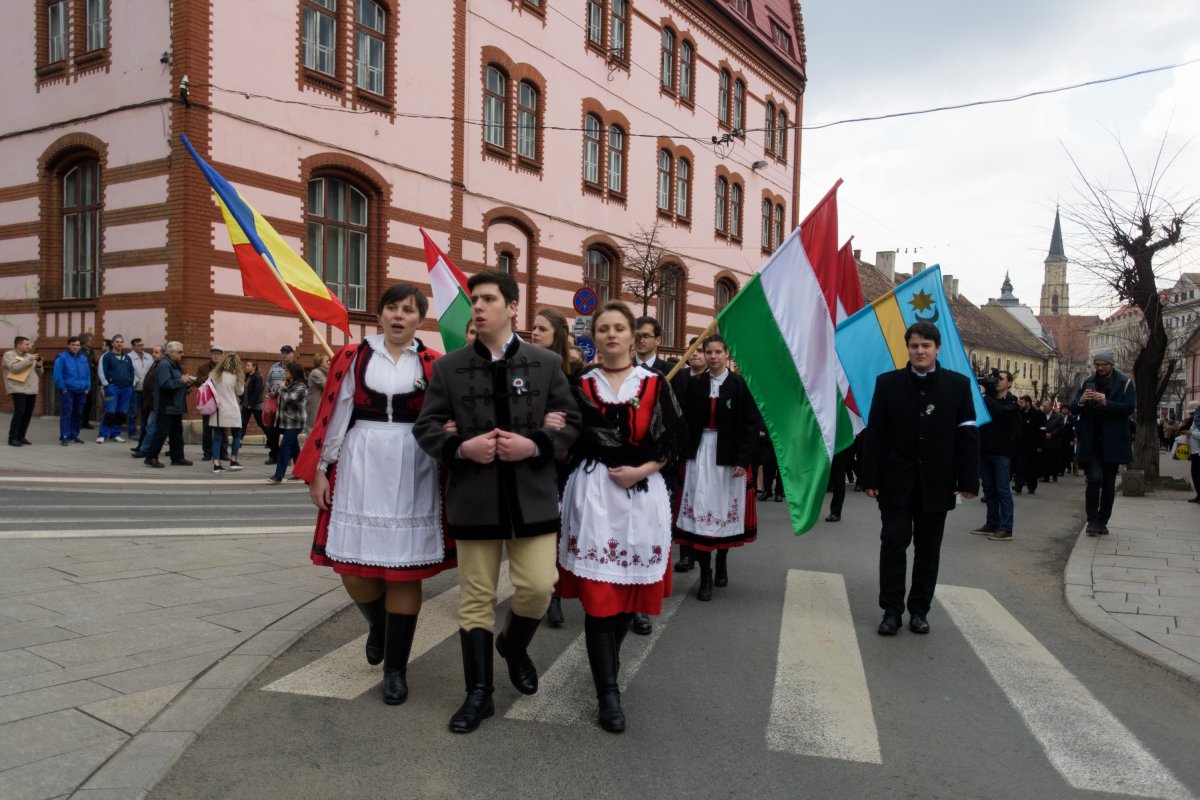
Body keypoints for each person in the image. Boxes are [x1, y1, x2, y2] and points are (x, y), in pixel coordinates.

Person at [414, 269, 580, 734]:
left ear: (512, 308)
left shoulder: (545, 363)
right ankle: (478, 695)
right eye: (474, 300)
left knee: (537, 587)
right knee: (476, 599)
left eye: (488, 299)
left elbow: (571, 423)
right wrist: (460, 448)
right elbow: (427, 426)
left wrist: (536, 444)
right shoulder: (449, 367)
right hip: (475, 498)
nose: (478, 307)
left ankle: (513, 644)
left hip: (532, 497)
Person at [295, 283, 456, 705]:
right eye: (392, 308)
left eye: (408, 310)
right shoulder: (353, 356)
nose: (399, 316)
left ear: (420, 319)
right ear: (380, 315)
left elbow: (445, 417)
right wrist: (322, 471)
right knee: (354, 571)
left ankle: (396, 670)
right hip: (361, 462)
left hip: (415, 464)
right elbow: (336, 414)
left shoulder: (434, 364)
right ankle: (379, 626)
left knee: (404, 571)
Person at [557, 301, 686, 732]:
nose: (611, 334)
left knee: (629, 598)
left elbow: (675, 444)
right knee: (598, 600)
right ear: (594, 336)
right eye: (603, 328)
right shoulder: (577, 385)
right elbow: (565, 440)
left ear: (634, 336)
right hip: (593, 495)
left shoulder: (655, 384)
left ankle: (606, 666)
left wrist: (642, 470)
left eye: (619, 328)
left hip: (642, 495)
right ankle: (608, 694)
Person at [861, 321, 979, 636]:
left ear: (937, 348)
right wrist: (870, 476)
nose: (920, 351)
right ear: (908, 349)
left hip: (937, 483)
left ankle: (919, 611)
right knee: (893, 543)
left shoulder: (957, 385)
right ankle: (891, 611)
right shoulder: (888, 384)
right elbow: (876, 434)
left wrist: (968, 481)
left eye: (926, 345)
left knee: (928, 550)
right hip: (895, 483)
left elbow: (967, 434)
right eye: (914, 345)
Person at [672, 334, 760, 601]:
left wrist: (742, 460)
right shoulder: (695, 384)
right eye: (708, 352)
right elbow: (684, 420)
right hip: (700, 455)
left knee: (722, 512)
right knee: (700, 512)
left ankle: (721, 559)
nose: (712, 356)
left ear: (726, 354)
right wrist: (683, 452)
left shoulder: (740, 385)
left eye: (717, 352)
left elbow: (750, 425)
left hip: (727, 456)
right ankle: (706, 575)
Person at [530, 306, 576, 629]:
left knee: (557, 529)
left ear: (557, 334)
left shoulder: (574, 372)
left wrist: (563, 447)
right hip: (532, 456)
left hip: (562, 463)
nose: (534, 333)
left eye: (542, 329)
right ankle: (536, 588)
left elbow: (574, 419)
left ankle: (555, 596)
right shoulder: (524, 366)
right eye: (533, 327)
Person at [1070, 350, 1136, 536]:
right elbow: (1074, 407)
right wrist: (1082, 401)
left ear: (1111, 364)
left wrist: (1107, 402)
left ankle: (1102, 520)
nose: (1100, 368)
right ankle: (1091, 520)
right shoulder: (1087, 382)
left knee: (1108, 483)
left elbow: (1129, 408)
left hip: (1113, 442)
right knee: (1094, 479)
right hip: (1092, 441)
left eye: (1104, 365)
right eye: (1097, 364)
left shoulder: (1125, 383)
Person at [972, 370, 1018, 541]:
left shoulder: (1012, 402)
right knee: (989, 489)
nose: (997, 381)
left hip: (1002, 452)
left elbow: (1001, 412)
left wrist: (984, 397)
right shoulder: (987, 399)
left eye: (1001, 379)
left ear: (1009, 383)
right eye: (995, 379)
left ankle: (1006, 527)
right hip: (985, 450)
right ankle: (992, 523)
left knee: (1002, 489)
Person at [142, 342, 195, 467]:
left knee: (176, 434)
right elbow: (165, 384)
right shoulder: (164, 365)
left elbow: (177, 383)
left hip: (176, 406)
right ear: (171, 353)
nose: (182, 354)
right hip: (166, 406)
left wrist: (186, 383)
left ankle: (177, 457)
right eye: (179, 352)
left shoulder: (176, 366)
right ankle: (151, 457)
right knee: (161, 432)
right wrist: (181, 381)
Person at [267, 362, 307, 484]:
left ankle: (279, 475)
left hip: (295, 421)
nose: (285, 373)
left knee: (284, 447)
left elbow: (289, 399)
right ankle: (301, 472)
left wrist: (281, 389)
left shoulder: (301, 386)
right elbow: (283, 396)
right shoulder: (289, 384)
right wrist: (276, 393)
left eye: (287, 371)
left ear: (294, 372)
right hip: (286, 421)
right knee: (294, 447)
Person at [209, 352, 245, 472]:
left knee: (217, 437)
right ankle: (233, 460)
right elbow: (240, 392)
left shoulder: (214, 374)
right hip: (232, 408)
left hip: (218, 409)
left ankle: (216, 463)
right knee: (236, 435)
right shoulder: (236, 376)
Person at [4, 336, 42, 446]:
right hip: (17, 388)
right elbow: (14, 368)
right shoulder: (9, 355)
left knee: (27, 414)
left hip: (31, 389)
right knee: (19, 412)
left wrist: (39, 365)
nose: (29, 346)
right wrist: (29, 360)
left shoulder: (30, 356)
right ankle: (12, 438)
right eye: (26, 344)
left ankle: (21, 436)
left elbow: (39, 373)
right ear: (18, 345)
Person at [53, 336, 91, 446]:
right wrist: (63, 389)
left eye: (77, 345)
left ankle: (74, 434)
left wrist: (87, 388)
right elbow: (57, 375)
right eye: (73, 345)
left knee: (78, 413)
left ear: (80, 346)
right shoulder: (62, 357)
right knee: (66, 414)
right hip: (68, 390)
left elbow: (88, 374)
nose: (75, 347)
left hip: (81, 391)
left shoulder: (83, 358)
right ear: (68, 346)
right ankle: (64, 436)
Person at [97, 334, 134, 443]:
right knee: (110, 411)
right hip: (113, 387)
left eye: (121, 342)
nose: (119, 344)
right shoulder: (107, 356)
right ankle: (103, 434)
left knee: (121, 412)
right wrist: (106, 384)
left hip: (126, 388)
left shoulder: (127, 357)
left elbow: (132, 371)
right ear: (112, 343)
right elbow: (101, 370)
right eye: (117, 342)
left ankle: (116, 434)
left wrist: (131, 384)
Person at [265, 346, 295, 465]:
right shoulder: (274, 367)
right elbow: (268, 383)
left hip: (288, 406)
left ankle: (286, 457)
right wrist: (268, 396)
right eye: (283, 353)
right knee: (272, 431)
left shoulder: (295, 368)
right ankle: (274, 455)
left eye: (287, 353)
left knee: (288, 432)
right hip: (274, 404)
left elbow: (296, 385)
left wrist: (278, 391)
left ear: (292, 354)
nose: (285, 355)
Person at [132, 346, 163, 458]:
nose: (153, 354)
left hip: (155, 402)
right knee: (146, 425)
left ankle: (145, 449)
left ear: (163, 354)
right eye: (153, 352)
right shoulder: (154, 364)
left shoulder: (162, 366)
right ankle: (142, 446)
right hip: (149, 401)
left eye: (156, 352)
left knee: (151, 426)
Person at [198, 346, 226, 462]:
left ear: (222, 356)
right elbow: (198, 382)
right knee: (207, 429)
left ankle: (223, 452)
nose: (216, 356)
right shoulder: (203, 367)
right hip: (208, 402)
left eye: (218, 354)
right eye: (214, 353)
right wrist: (209, 375)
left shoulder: (226, 368)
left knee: (223, 428)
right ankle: (207, 452)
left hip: (222, 401)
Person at [1014, 396, 1044, 495]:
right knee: (1019, 466)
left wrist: (1040, 445)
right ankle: (1018, 486)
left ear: (1028, 403)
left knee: (1032, 467)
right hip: (1021, 445)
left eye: (1021, 402)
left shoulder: (1038, 413)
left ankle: (1032, 487)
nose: (1020, 404)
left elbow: (1042, 430)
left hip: (1033, 445)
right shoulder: (1019, 413)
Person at [127, 338, 153, 439]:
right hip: (134, 388)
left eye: (142, 345)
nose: (141, 347)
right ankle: (132, 432)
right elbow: (129, 371)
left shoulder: (149, 357)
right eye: (138, 345)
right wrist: (135, 380)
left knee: (145, 412)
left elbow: (151, 370)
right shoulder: (129, 357)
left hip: (146, 389)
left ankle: (144, 432)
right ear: (133, 346)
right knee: (133, 412)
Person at [240, 359, 265, 440]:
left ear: (254, 367)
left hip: (255, 404)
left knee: (261, 423)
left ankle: (271, 439)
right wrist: (242, 400)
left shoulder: (257, 377)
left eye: (248, 365)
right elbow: (245, 390)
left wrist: (251, 403)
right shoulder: (247, 376)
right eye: (246, 365)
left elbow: (258, 391)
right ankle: (239, 441)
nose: (246, 367)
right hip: (246, 404)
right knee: (243, 423)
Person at [1040, 400, 1064, 483]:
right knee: (1044, 460)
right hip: (1044, 441)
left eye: (1045, 406)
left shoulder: (1058, 416)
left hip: (1054, 442)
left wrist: (1052, 434)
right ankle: (1045, 476)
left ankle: (1054, 475)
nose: (1044, 408)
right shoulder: (1041, 415)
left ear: (1050, 406)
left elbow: (1060, 428)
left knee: (1054, 459)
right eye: (1043, 406)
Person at [77, 331, 98, 429]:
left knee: (89, 402)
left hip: (90, 379)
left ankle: (85, 421)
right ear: (84, 340)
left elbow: (93, 362)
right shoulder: (79, 350)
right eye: (90, 340)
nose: (92, 341)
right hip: (81, 380)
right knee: (81, 402)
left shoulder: (91, 350)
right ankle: (79, 421)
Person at [306, 353, 329, 434]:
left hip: (321, 405)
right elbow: (327, 385)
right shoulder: (316, 373)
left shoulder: (325, 372)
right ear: (320, 362)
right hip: (315, 405)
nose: (329, 362)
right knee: (314, 429)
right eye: (327, 361)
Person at [1185, 402, 1199, 504]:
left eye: (1192, 413)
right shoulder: (1196, 420)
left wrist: (1191, 433)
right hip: (1195, 452)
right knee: (1195, 474)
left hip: (1198, 453)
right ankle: (1199, 495)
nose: (1191, 415)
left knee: (1197, 474)